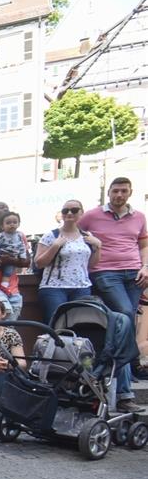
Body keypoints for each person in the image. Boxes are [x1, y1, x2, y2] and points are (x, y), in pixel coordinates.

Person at [79, 176, 147, 413]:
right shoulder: (92, 215)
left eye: (123, 191)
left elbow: (143, 244)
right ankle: (126, 390)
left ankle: (122, 388)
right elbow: (74, 232)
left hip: (134, 273)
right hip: (106, 272)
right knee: (126, 318)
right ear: (109, 192)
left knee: (121, 329)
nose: (119, 195)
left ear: (130, 192)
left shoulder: (139, 216)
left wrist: (145, 266)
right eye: (115, 191)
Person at [35, 199, 100, 323]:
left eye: (74, 210)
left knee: (80, 324)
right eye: (65, 211)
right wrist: (55, 246)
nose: (69, 213)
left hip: (81, 286)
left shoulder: (87, 236)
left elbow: (90, 264)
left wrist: (98, 247)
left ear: (81, 213)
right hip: (54, 287)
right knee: (56, 323)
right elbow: (39, 263)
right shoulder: (51, 235)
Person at [0, 211, 29, 318]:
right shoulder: (0, 236)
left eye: (15, 222)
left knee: (13, 317)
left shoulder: (19, 235)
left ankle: (4, 285)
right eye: (8, 222)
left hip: (13, 287)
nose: (12, 224)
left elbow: (26, 259)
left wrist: (20, 257)